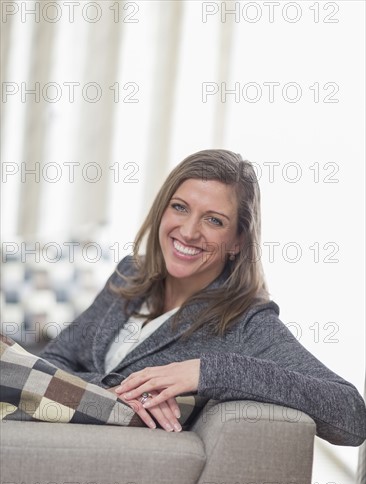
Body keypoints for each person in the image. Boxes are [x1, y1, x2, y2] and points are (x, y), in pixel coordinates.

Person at [39, 149, 366, 445]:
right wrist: (108, 389)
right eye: (180, 208)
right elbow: (53, 361)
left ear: (238, 241)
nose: (189, 231)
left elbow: (350, 414)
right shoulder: (131, 274)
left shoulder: (247, 323)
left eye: (214, 220)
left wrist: (205, 372)